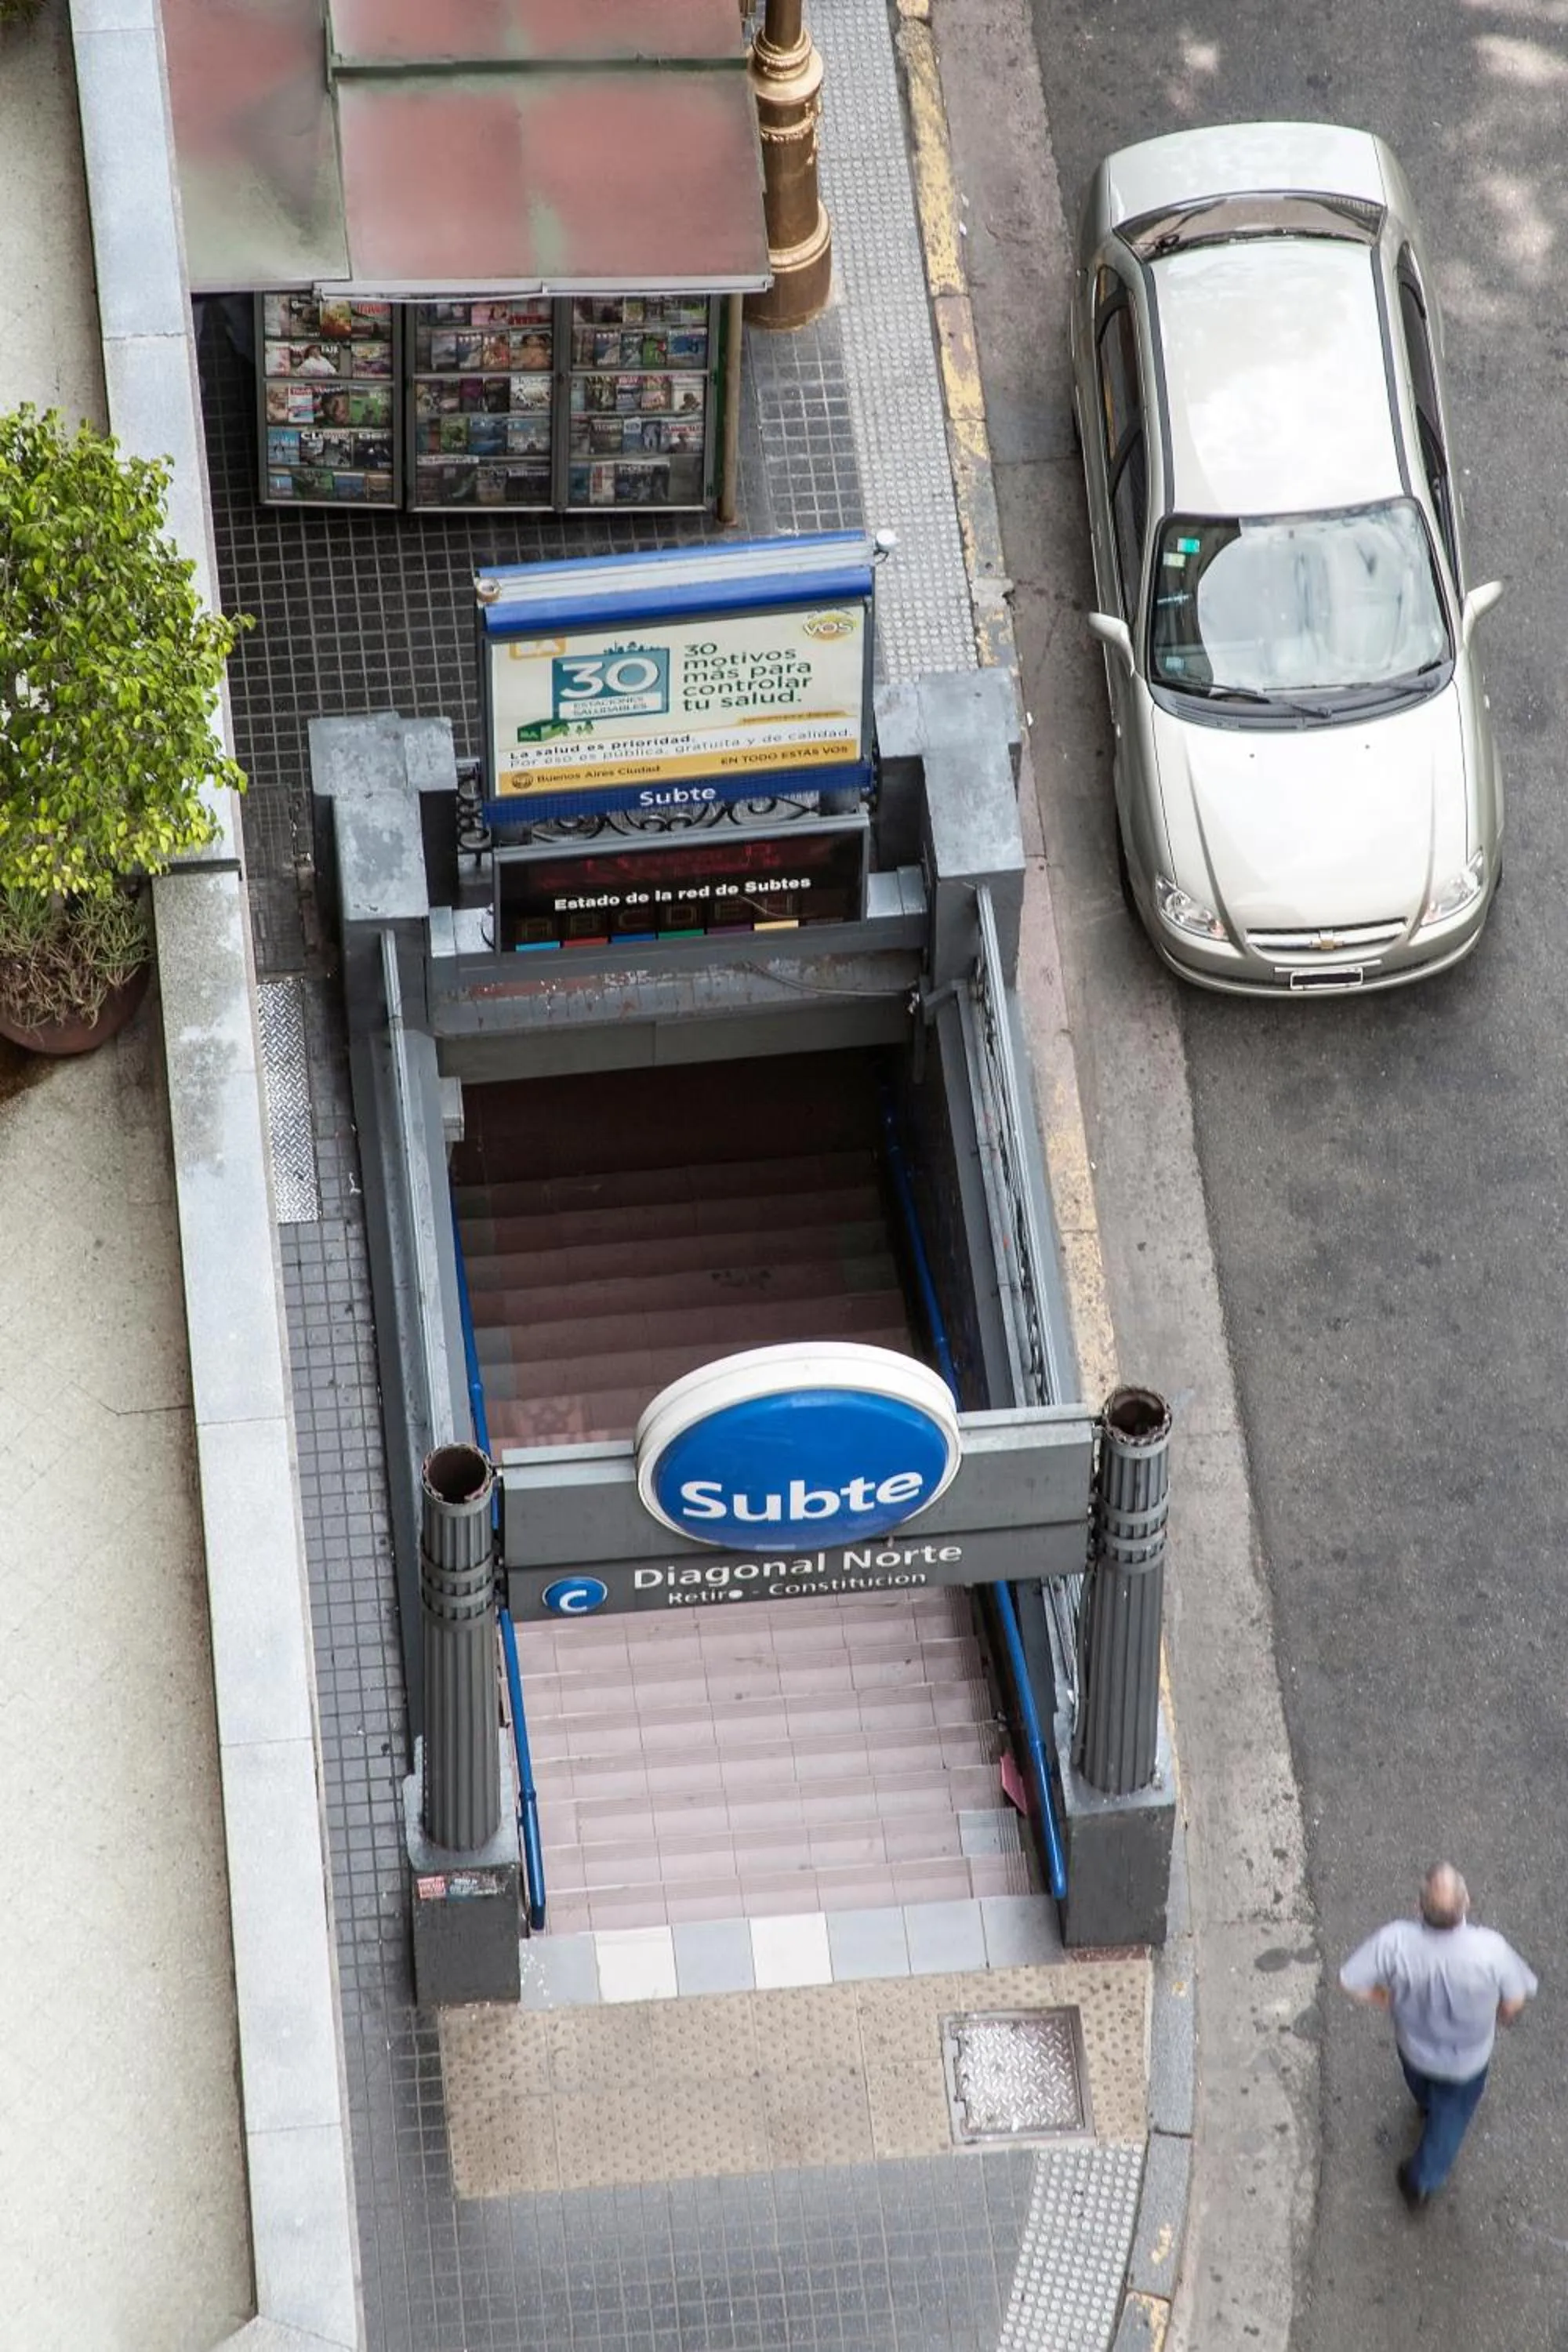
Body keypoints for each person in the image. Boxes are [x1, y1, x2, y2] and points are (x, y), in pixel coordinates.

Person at [1340, 1864, 1537, 2210]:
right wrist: (1500, 2017)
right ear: (1467, 1903)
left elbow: (1350, 1981)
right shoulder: (1491, 1950)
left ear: (1418, 1907)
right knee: (1450, 2120)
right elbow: (1514, 2002)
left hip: (1414, 2048)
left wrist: (1385, 1998)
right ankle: (1421, 2180)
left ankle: (1427, 2103)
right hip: (1467, 2061)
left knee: (1423, 2088)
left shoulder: (1394, 1942)